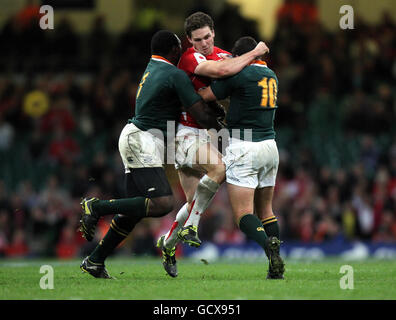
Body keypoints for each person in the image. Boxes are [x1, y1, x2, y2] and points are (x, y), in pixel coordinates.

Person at [79, 30, 221, 279]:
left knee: (132, 213)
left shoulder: (153, 68)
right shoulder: (174, 74)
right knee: (162, 203)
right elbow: (200, 115)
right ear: (174, 50)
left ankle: (95, 260)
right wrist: (221, 116)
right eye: (180, 47)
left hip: (138, 137)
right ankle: (97, 206)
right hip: (141, 139)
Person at [158, 12, 270, 275]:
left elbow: (240, 76)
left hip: (206, 134)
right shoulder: (189, 58)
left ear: (214, 33)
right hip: (184, 132)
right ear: (190, 40)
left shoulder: (221, 53)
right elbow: (223, 71)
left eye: (207, 37)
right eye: (198, 39)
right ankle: (192, 228)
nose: (204, 43)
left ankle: (168, 244)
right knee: (219, 170)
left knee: (192, 201)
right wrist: (255, 52)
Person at [198, 36, 285, 279]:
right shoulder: (272, 75)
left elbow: (206, 95)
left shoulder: (240, 75)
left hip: (245, 147)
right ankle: (274, 265)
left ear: (242, 58)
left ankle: (269, 247)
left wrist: (223, 71)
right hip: (270, 146)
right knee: (266, 210)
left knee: (243, 215)